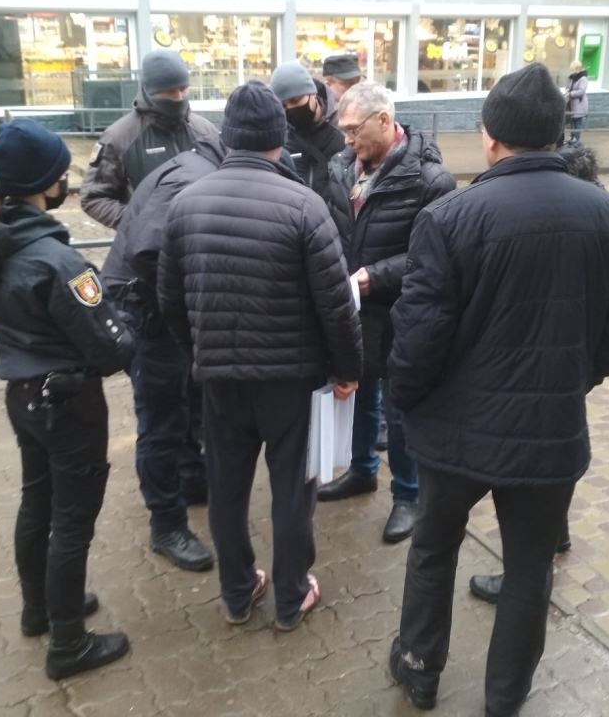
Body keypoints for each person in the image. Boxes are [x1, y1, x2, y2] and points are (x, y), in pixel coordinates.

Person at [386, 64, 609, 715]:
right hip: (550, 434)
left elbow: (418, 338)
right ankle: (505, 698)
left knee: (433, 549)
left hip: (454, 433)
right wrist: (572, 380)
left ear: (490, 137)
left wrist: (404, 403)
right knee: (530, 570)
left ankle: (419, 667)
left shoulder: (449, 218)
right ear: (557, 134)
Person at [158, 82, 362, 631]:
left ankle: (237, 591)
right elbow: (336, 304)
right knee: (293, 488)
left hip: (219, 379)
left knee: (226, 488)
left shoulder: (185, 204)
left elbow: (169, 301)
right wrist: (347, 370)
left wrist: (199, 351)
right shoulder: (304, 205)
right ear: (279, 137)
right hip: (289, 380)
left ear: (228, 137)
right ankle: (291, 596)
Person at [0, 119, 135, 680]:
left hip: (23, 395)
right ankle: (68, 644)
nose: (69, 182)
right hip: (68, 403)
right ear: (46, 183)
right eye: (64, 173)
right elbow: (110, 348)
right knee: (72, 522)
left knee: (37, 502)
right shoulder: (60, 264)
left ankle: (39, 608)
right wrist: (125, 322)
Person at [318, 82, 456, 544]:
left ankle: (408, 496)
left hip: (403, 311)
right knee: (358, 394)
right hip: (354, 307)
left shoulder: (430, 180)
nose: (346, 140)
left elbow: (431, 256)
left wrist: (374, 276)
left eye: (353, 130)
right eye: (342, 130)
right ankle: (361, 471)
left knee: (399, 409)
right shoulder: (341, 167)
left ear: (383, 120)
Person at [467, 142, 602, 605]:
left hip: (531, 375)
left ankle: (526, 575)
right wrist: (588, 370)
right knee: (555, 460)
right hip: (568, 373)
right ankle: (553, 538)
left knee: (531, 476)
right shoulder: (603, 218)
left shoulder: (554, 221)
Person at [101, 133, 227, 572]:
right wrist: (183, 303)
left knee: (188, 397)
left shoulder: (197, 167)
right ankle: (166, 525)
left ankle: (191, 479)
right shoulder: (191, 179)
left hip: (155, 309)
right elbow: (148, 251)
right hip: (146, 312)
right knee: (161, 421)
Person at [80, 50, 217, 228]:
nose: (179, 97)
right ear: (150, 91)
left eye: (183, 89)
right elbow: (93, 197)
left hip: (201, 237)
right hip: (149, 242)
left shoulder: (205, 130)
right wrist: (138, 224)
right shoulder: (119, 137)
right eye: (170, 92)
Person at [270, 59, 346, 198]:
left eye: (295, 100)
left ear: (313, 94)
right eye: (284, 105)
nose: (291, 108)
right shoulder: (281, 138)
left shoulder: (342, 127)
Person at [565, 60, 589, 145]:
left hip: (579, 104)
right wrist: (567, 90)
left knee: (578, 122)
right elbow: (569, 87)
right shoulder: (572, 78)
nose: (571, 71)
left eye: (572, 69)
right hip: (572, 104)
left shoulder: (583, 78)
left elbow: (581, 91)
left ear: (577, 69)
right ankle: (572, 138)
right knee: (572, 122)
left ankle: (577, 140)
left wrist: (571, 93)